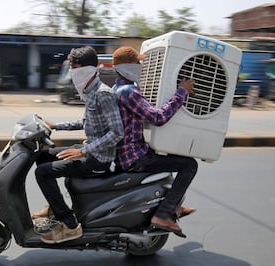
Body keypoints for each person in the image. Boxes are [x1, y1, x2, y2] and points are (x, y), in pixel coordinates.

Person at [34, 46, 124, 244]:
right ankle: (55, 207)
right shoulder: (90, 92)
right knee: (42, 156)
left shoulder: (103, 94)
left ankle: (70, 224)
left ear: (88, 69)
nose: (73, 72)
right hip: (90, 150)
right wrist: (56, 126)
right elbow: (87, 122)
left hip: (98, 160)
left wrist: (82, 151)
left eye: (75, 67)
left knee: (42, 173)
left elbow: (117, 133)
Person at [111, 46, 198, 238]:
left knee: (172, 155)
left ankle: (173, 205)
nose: (140, 66)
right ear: (126, 67)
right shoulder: (128, 92)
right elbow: (158, 117)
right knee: (189, 165)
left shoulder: (115, 89)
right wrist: (181, 92)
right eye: (137, 63)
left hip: (127, 153)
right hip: (135, 158)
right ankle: (163, 214)